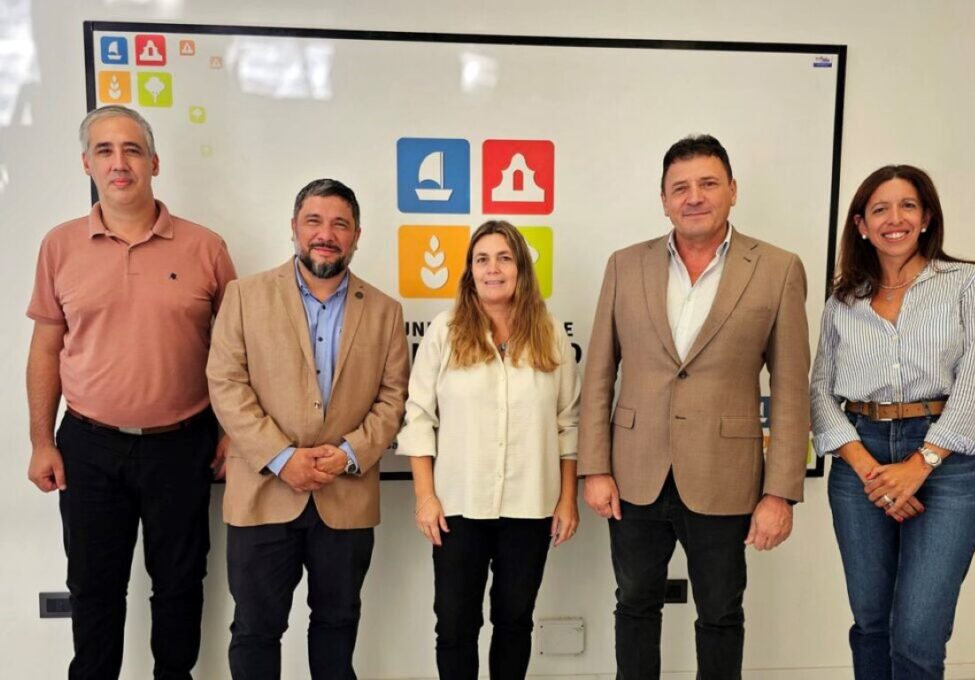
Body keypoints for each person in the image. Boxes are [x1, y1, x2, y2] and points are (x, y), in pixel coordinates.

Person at [578, 134, 810, 680]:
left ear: (733, 190)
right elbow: (599, 373)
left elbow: (791, 388)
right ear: (663, 200)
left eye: (708, 183)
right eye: (680, 188)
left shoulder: (778, 268)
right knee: (634, 604)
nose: (694, 197)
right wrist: (595, 467)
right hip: (634, 475)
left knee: (721, 614)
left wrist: (780, 492)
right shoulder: (624, 265)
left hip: (724, 475)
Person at [25, 105, 237, 680]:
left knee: (180, 586)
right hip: (88, 446)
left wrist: (230, 433)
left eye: (132, 150)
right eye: (105, 151)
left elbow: (235, 351)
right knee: (94, 588)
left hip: (183, 444)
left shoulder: (206, 247)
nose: (119, 163)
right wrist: (41, 442)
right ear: (87, 164)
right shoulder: (59, 246)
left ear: (154, 163)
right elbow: (45, 349)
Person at [206, 178, 409, 680]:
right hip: (262, 494)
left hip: (346, 494)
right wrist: (282, 458)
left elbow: (393, 398)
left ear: (357, 235)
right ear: (294, 228)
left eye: (340, 224)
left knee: (338, 626)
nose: (326, 234)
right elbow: (226, 383)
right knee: (255, 630)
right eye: (314, 221)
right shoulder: (244, 296)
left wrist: (348, 453)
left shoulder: (385, 311)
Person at [810, 165, 975, 679]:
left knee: (916, 635)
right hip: (860, 459)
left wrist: (919, 465)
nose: (895, 219)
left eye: (908, 206)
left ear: (927, 217)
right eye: (880, 209)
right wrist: (872, 472)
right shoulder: (842, 302)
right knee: (872, 625)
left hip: (947, 464)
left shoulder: (967, 283)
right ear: (861, 225)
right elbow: (820, 392)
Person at [396, 220, 581, 680]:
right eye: (482, 259)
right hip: (457, 507)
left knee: (514, 622)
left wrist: (567, 498)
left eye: (504, 258)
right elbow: (419, 416)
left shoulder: (550, 333)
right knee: (455, 625)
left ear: (521, 268)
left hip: (530, 506)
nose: (492, 269)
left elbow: (568, 422)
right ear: (470, 270)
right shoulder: (444, 331)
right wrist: (425, 497)